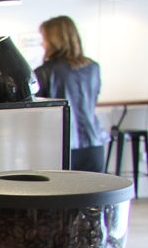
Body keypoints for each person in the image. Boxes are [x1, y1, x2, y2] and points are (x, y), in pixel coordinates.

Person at [33, 15, 109, 173]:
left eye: (44, 38)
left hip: (62, 146)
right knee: (92, 195)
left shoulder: (45, 72)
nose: (42, 43)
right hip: (94, 143)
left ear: (54, 41)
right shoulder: (93, 68)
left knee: (61, 195)